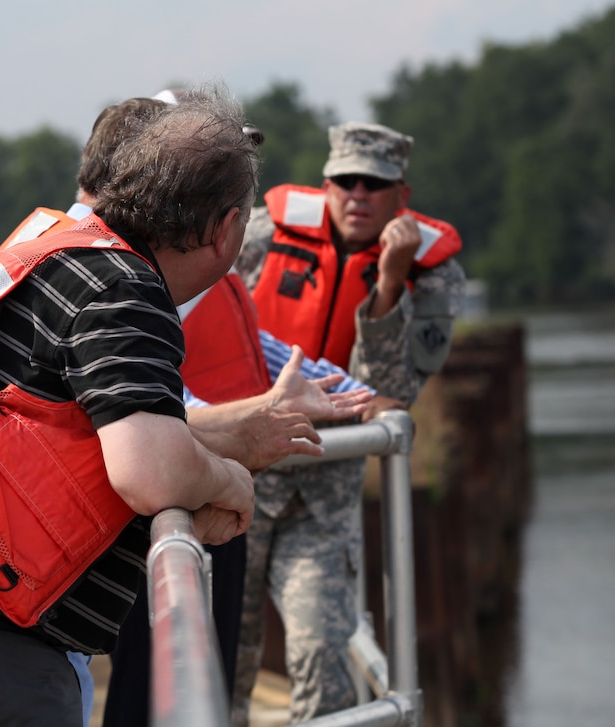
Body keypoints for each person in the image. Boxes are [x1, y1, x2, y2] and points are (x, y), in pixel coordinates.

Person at [0, 84, 262, 727]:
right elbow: (150, 470)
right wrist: (231, 479)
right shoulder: (124, 289)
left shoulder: (58, 254)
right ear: (227, 230)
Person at [83, 95, 375, 727]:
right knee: (157, 682)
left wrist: (328, 390)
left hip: (206, 507)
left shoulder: (167, 276)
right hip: (162, 517)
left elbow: (257, 349)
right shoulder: (126, 285)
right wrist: (236, 460)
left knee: (198, 676)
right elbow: (153, 428)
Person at [231, 121, 466, 724]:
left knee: (320, 653)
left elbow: (391, 392)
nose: (358, 195)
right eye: (346, 181)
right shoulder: (259, 236)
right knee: (227, 652)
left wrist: (389, 284)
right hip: (238, 478)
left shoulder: (434, 276)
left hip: (324, 492)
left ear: (400, 197)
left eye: (375, 184)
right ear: (326, 185)